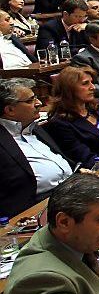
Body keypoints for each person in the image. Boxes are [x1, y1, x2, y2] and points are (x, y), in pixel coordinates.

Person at [0, 78, 74, 217]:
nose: (39, 103)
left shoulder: (36, 128)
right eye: (30, 101)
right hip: (37, 210)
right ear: (10, 110)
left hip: (70, 193)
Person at [44, 65, 99, 168]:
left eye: (92, 82)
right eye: (85, 83)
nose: (93, 87)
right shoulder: (60, 123)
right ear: (69, 89)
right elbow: (85, 158)